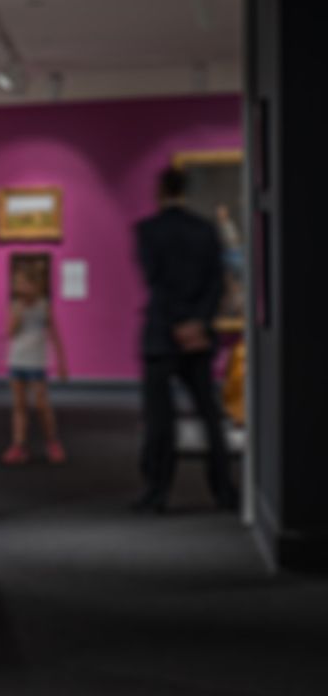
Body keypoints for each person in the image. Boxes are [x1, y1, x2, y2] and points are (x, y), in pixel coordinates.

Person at [133, 167, 238, 513]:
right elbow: (216, 284)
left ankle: (157, 491)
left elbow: (156, 281)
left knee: (161, 420)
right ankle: (224, 490)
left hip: (162, 335)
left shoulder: (148, 230)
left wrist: (179, 322)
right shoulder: (206, 230)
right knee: (210, 415)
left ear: (160, 190)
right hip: (198, 338)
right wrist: (198, 322)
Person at [1, 265, 68, 465]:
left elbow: (54, 334)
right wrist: (18, 313)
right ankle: (18, 446)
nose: (19, 286)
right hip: (17, 359)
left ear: (34, 285)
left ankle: (52, 442)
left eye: (23, 282)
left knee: (41, 405)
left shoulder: (44, 305)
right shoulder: (15, 305)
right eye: (17, 283)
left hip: (37, 361)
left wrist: (62, 363)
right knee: (19, 406)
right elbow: (10, 333)